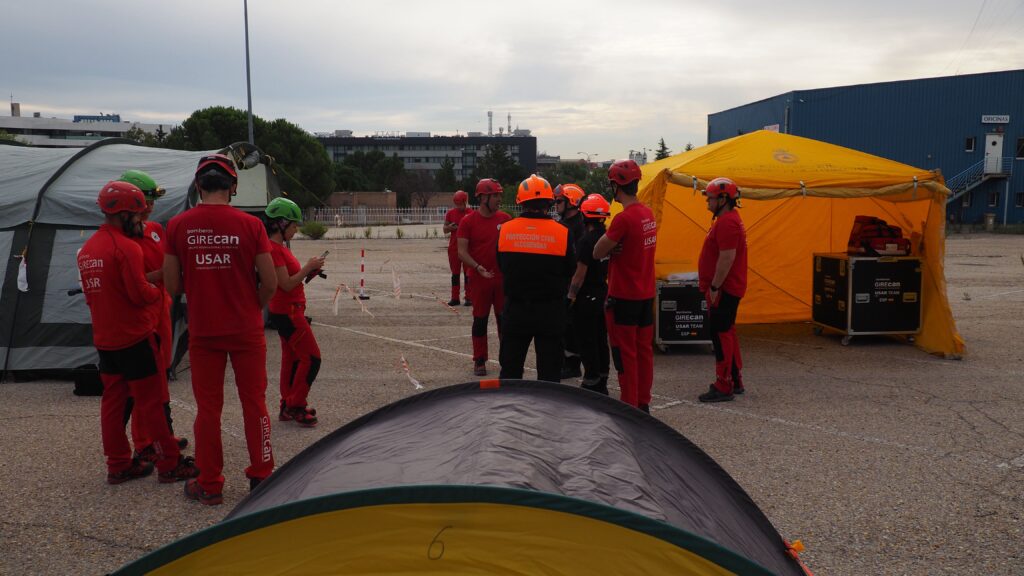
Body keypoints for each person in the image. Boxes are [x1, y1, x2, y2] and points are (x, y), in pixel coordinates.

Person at [163, 153, 278, 505]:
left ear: (198, 185)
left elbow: (172, 285)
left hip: (204, 331)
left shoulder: (178, 225)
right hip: (245, 329)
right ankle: (262, 477)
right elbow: (271, 282)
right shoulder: (252, 225)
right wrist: (247, 305)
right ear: (234, 186)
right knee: (254, 403)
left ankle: (210, 484)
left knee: (208, 410)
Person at [77, 180, 197, 485]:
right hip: (134, 337)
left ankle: (118, 464)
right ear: (126, 214)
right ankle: (169, 463)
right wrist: (160, 286)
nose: (142, 218)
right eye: (138, 212)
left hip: (105, 339)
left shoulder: (88, 249)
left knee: (113, 402)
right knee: (151, 402)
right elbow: (139, 295)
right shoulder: (126, 247)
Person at [117, 169, 188, 462]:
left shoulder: (156, 230)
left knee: (160, 374)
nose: (151, 205)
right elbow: (126, 281)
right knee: (141, 382)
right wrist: (159, 275)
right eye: (146, 199)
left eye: (151, 200)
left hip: (161, 308)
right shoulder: (119, 238)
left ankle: (160, 437)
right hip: (138, 314)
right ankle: (145, 442)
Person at [497, 175, 576, 382]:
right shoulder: (563, 233)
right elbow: (570, 269)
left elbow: (501, 266)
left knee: (510, 372)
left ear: (520, 201)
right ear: (549, 202)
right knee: (550, 374)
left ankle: (510, 412)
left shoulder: (505, 230)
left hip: (516, 309)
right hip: (550, 311)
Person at [593, 160, 657, 412]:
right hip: (645, 295)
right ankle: (643, 402)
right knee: (644, 353)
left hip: (624, 297)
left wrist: (613, 246)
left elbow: (598, 252)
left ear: (615, 185)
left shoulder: (623, 219)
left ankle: (629, 407)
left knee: (624, 355)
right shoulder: (648, 214)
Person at [264, 197, 325, 427]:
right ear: (280, 224)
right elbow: (286, 284)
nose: (296, 229)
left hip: (288, 309)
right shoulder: (273, 249)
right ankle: (296, 405)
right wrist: (308, 267)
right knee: (311, 358)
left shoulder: (279, 248)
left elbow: (291, 282)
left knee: (292, 359)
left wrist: (309, 273)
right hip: (288, 312)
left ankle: (287, 404)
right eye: (293, 225)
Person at [697, 177, 748, 403]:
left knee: (721, 335)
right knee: (727, 331)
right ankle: (734, 378)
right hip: (727, 287)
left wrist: (715, 286)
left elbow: (727, 258)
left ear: (724, 199)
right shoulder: (727, 220)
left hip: (724, 288)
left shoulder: (727, 222)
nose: (707, 201)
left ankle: (723, 384)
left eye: (710, 198)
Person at [457, 178, 512, 376]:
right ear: (483, 198)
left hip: (501, 280)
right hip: (479, 279)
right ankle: (479, 360)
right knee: (480, 320)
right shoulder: (468, 221)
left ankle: (507, 360)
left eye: (499, 195)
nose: (499, 199)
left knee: (504, 321)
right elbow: (461, 251)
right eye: (495, 195)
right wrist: (477, 267)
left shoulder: (505, 219)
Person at [569, 193, 612, 395]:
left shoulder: (586, 241)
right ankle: (602, 378)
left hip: (586, 298)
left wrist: (570, 296)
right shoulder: (607, 238)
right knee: (601, 340)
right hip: (602, 294)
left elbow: (580, 274)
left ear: (585, 215)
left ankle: (591, 380)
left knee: (587, 340)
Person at [554, 184, 586, 380]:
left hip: (571, 284)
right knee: (565, 327)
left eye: (559, 201)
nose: (555, 204)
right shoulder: (567, 224)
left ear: (571, 202)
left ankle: (572, 365)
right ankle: (568, 362)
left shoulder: (575, 227)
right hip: (565, 282)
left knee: (570, 328)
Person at [443, 190, 474, 306]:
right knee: (455, 274)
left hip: (467, 249)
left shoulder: (471, 213)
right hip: (454, 248)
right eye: (457, 204)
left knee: (468, 274)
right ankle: (455, 297)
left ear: (465, 201)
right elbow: (444, 229)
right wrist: (450, 227)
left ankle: (469, 298)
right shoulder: (450, 213)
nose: (459, 207)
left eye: (460, 204)